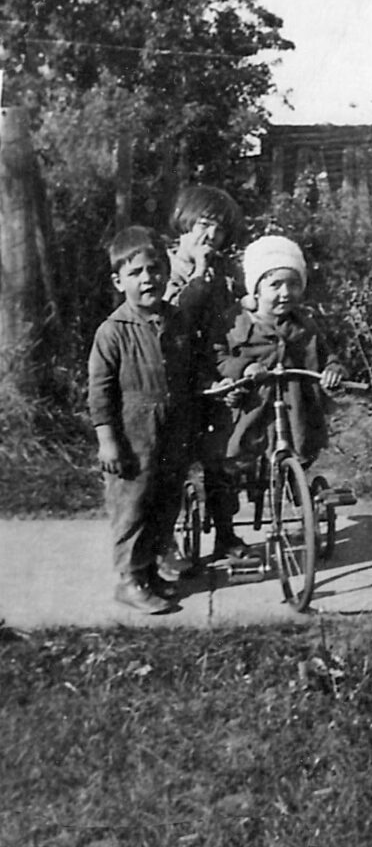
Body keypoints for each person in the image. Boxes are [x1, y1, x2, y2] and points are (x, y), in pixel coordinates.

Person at [201, 235, 344, 542]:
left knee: (297, 453)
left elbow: (326, 355)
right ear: (255, 288)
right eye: (275, 284)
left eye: (293, 284)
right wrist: (243, 368)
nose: (285, 293)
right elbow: (217, 357)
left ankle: (301, 504)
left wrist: (332, 370)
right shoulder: (235, 322)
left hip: (294, 408)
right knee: (233, 462)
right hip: (250, 408)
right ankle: (226, 529)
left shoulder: (304, 325)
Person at [88, 226, 195, 613]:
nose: (147, 278)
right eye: (135, 273)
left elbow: (190, 370)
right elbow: (100, 393)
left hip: (173, 427)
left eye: (154, 269)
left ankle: (149, 571)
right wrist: (108, 441)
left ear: (166, 272)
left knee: (165, 501)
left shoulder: (176, 320)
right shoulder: (112, 332)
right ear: (119, 282)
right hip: (134, 434)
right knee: (132, 506)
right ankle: (129, 579)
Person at [163, 183, 248, 566]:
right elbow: (173, 316)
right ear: (184, 222)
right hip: (175, 375)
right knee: (173, 462)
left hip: (215, 371)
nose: (211, 236)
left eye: (220, 229)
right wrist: (198, 272)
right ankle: (166, 542)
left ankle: (226, 535)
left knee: (221, 457)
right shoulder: (164, 266)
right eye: (204, 225)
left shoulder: (225, 270)